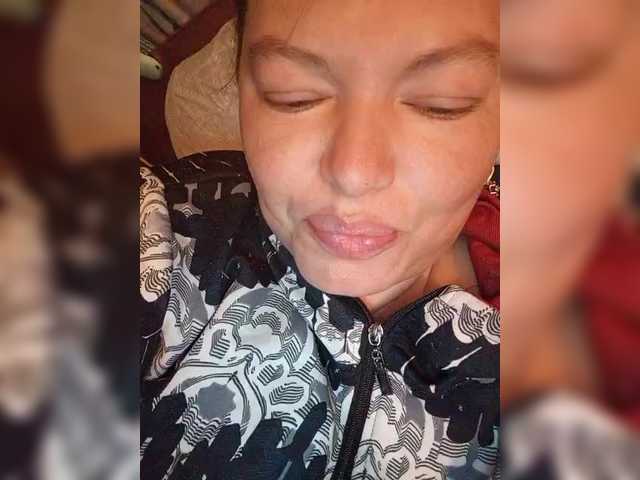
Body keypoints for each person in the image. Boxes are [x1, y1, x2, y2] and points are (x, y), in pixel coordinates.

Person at [140, 1, 500, 479]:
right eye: (292, 94)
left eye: (441, 103)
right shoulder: (170, 231)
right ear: (242, 80)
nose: (353, 173)